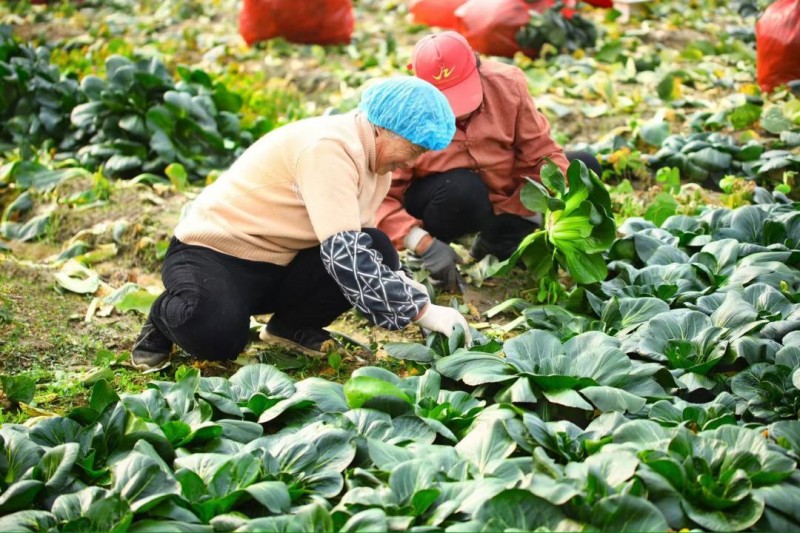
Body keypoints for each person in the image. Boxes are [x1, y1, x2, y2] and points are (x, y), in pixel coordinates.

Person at [130, 77, 471, 372]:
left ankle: (291, 327)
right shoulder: (330, 149)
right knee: (216, 338)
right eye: (413, 148)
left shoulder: (376, 162)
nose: (412, 161)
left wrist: (415, 297)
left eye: (421, 153)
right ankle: (165, 315)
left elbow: (361, 250)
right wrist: (422, 311)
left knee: (377, 244)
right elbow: (346, 257)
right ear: (383, 127)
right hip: (215, 253)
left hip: (279, 262)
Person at [376, 31, 603, 291]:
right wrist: (420, 241)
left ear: (477, 65)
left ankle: (496, 240)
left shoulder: (508, 85)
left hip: (505, 196)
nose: (458, 111)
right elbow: (379, 198)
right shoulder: (403, 114)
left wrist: (560, 202)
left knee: (582, 168)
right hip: (446, 203)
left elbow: (540, 150)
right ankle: (439, 250)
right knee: (462, 189)